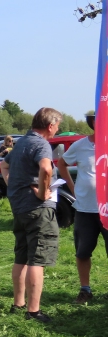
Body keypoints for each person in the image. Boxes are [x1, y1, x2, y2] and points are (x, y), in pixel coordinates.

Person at [0, 107, 62, 323]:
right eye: (57, 126)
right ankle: (33, 311)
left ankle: (18, 304)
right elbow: (46, 168)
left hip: (20, 207)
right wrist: (44, 192)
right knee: (38, 259)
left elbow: (4, 165)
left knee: (22, 256)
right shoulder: (41, 144)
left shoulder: (22, 143)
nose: (56, 130)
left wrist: (13, 188)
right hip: (38, 210)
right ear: (50, 125)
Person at [57, 114, 108, 304]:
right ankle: (85, 289)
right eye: (99, 119)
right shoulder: (80, 145)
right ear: (93, 123)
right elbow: (62, 164)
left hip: (107, 210)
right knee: (83, 251)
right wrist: (72, 188)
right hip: (85, 209)